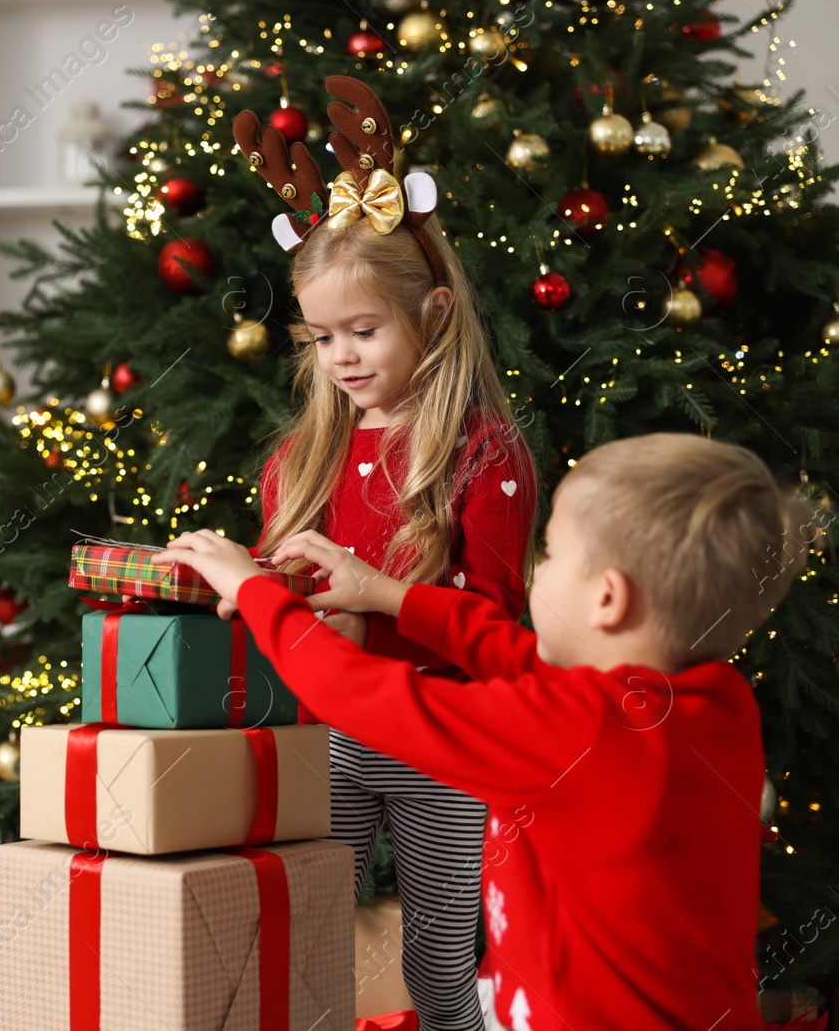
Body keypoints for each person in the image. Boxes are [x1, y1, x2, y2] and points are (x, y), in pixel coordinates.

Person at [155, 432, 803, 1031]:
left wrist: (255, 589)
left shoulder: (569, 732)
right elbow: (516, 656)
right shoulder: (712, 704)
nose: (536, 572)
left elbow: (358, 693)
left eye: (551, 552)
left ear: (608, 598)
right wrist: (386, 593)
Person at [232, 76, 537, 1029]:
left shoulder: (486, 453)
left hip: (443, 742)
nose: (342, 358)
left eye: (364, 331)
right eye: (322, 337)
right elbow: (272, 583)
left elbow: (495, 627)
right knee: (307, 936)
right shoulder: (303, 454)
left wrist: (378, 602)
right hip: (329, 739)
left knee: (440, 963)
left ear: (434, 315)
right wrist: (235, 581)